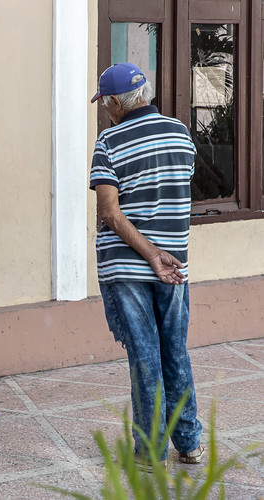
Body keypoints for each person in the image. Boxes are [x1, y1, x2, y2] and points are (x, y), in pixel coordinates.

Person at [89, 63, 203, 468]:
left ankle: (150, 450)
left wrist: (149, 254)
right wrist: (160, 253)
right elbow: (178, 187)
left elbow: (110, 213)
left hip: (129, 266)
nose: (105, 111)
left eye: (104, 104)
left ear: (116, 102)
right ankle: (189, 442)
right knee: (175, 349)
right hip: (174, 265)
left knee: (144, 355)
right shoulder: (181, 133)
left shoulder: (109, 142)